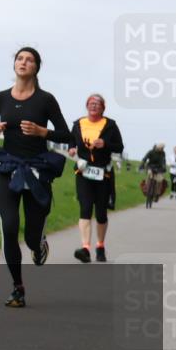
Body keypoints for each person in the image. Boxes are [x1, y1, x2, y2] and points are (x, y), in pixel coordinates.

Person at [0, 47, 71, 308]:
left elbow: (66, 135)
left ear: (36, 67)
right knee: (8, 228)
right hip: (8, 168)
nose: (23, 62)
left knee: (30, 236)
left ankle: (38, 243)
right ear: (14, 64)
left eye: (29, 60)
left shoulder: (46, 100)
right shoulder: (0, 98)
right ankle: (17, 287)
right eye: (19, 58)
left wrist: (43, 131)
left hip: (37, 170)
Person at [68, 94, 124, 263]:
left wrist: (105, 144)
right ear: (87, 106)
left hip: (103, 174)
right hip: (83, 172)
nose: (94, 106)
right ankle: (85, 248)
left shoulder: (110, 125)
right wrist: (71, 149)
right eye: (91, 103)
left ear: (102, 108)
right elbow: (71, 141)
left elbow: (119, 147)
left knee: (101, 212)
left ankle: (100, 246)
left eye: (97, 104)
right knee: (85, 208)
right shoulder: (78, 124)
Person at [140, 143, 168, 207]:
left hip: (159, 168)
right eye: (160, 148)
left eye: (162, 148)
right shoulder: (151, 152)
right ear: (157, 147)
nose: (161, 149)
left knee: (159, 180)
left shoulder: (163, 153)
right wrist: (142, 165)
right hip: (150, 167)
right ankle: (147, 189)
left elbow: (164, 161)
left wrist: (164, 167)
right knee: (149, 177)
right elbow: (145, 158)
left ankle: (157, 194)